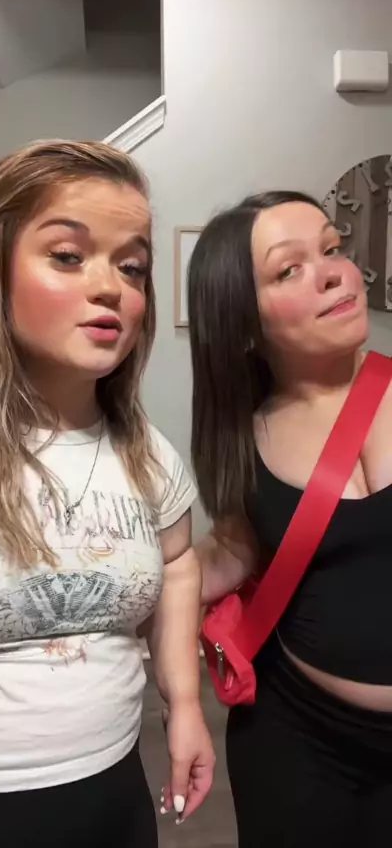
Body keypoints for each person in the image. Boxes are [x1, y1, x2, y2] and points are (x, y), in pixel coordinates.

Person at [0, 139, 214, 847]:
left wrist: (184, 704)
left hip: (110, 794)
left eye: (132, 266)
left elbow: (177, 565)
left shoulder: (150, 455)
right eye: (69, 256)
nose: (112, 288)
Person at [188, 190, 392, 848]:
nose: (334, 273)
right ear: (243, 324)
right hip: (298, 738)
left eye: (332, 249)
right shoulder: (244, 438)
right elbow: (234, 550)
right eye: (289, 269)